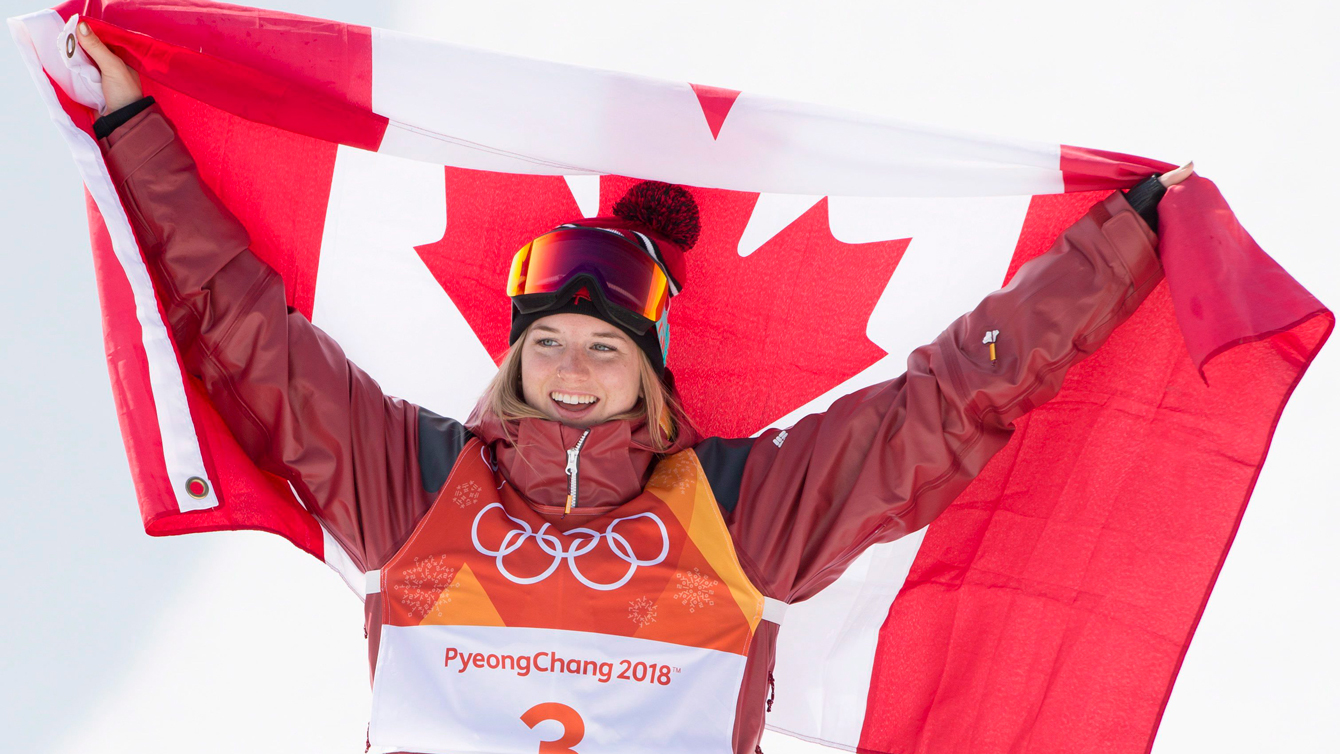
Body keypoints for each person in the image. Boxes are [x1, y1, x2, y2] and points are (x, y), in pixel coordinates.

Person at [77, 23, 1192, 754]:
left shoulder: (739, 508)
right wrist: (129, 125)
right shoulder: (412, 482)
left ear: (646, 378)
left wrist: (1122, 239)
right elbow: (240, 328)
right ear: (514, 360)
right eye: (550, 343)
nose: (571, 369)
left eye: (604, 350)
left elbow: (946, 404)